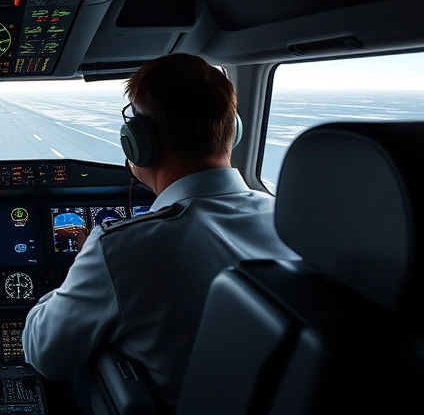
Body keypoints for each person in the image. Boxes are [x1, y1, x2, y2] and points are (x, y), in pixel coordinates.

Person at [21, 54, 299, 409]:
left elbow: (45, 355)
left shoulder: (120, 249)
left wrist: (75, 279)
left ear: (138, 141)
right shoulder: (292, 222)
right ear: (234, 130)